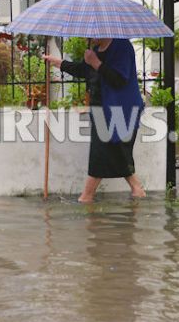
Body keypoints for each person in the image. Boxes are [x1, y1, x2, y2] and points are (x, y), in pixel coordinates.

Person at [44, 38, 146, 203]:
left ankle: (86, 197)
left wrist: (96, 62)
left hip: (121, 110)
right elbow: (84, 70)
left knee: (102, 152)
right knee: (117, 152)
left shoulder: (122, 46)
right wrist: (59, 63)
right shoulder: (96, 50)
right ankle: (137, 189)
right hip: (102, 109)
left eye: (90, 33)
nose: (86, 37)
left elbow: (119, 79)